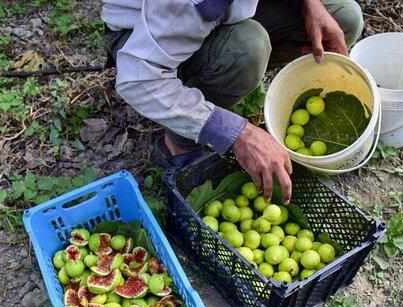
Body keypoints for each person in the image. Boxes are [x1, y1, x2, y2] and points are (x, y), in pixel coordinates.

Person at [102, 0, 363, 204]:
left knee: (344, 17)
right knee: (246, 49)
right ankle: (179, 144)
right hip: (146, 37)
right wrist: (237, 134)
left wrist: (309, 5)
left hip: (212, 14)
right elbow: (138, 79)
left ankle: (222, 82)